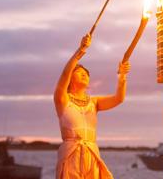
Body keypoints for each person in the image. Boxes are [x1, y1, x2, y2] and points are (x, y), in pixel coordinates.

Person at [54, 33, 130, 179]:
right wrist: (80, 50)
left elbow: (119, 98)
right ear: (70, 79)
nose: (84, 74)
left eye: (86, 74)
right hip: (71, 155)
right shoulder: (62, 99)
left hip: (92, 154)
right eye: (79, 72)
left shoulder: (94, 102)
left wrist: (122, 77)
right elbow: (64, 74)